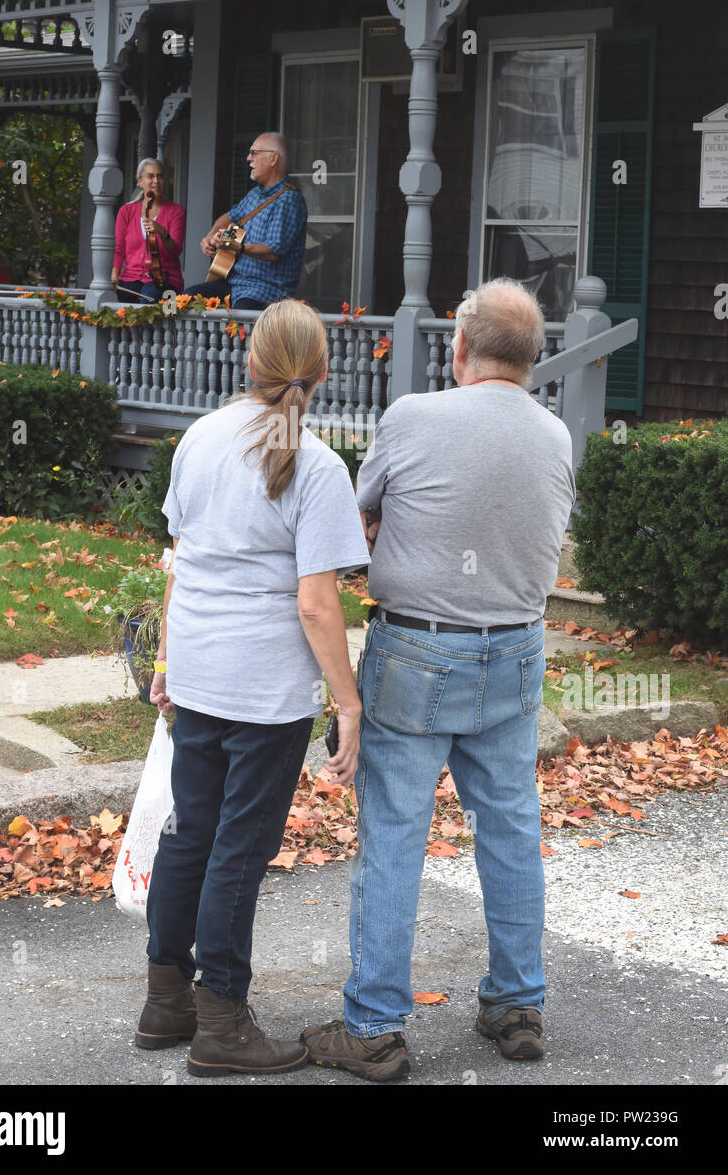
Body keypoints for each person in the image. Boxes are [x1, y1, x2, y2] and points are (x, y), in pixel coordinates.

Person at [301, 278, 576, 1083]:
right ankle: (517, 1003)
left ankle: (376, 1026)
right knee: (511, 826)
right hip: (516, 648)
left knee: (393, 834)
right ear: (532, 359)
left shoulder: (412, 417)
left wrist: (392, 532)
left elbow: (355, 524)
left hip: (420, 652)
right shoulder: (555, 436)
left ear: (460, 348)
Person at [133, 298, 368, 1076]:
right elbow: (315, 600)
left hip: (199, 669)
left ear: (249, 362)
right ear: (322, 370)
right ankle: (223, 1023)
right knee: (239, 847)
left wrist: (167, 660)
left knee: (189, 832)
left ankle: (167, 1001)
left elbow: (181, 563)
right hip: (264, 688)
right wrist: (349, 702)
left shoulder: (198, 438)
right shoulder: (320, 465)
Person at [182, 132, 307, 309]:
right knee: (188, 298)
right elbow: (228, 218)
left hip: (267, 290)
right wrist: (210, 238)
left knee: (240, 318)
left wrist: (237, 246)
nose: (248, 158)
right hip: (234, 283)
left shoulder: (288, 200)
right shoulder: (254, 194)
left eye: (254, 153)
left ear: (273, 159)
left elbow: (273, 251)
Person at [112, 158, 185, 302]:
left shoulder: (176, 211)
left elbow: (175, 251)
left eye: (160, 176)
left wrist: (162, 232)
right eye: (150, 176)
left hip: (163, 278)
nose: (156, 181)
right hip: (130, 278)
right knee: (109, 300)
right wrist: (114, 275)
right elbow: (119, 248)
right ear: (140, 181)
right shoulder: (126, 211)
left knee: (149, 299)